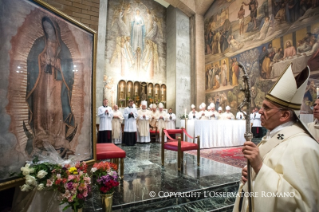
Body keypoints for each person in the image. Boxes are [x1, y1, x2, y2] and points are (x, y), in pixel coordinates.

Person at [233, 65, 319, 211]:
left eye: (266, 108)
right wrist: (252, 176)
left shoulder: (304, 147)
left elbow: (303, 206)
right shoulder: (273, 137)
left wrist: (259, 167)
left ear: (285, 115)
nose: (260, 111)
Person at [26, 16, 76, 157]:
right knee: (42, 108)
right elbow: (31, 62)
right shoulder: (38, 43)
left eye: (50, 28)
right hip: (41, 81)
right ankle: (42, 136)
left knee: (56, 108)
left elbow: (68, 69)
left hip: (57, 83)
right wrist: (41, 59)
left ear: (55, 28)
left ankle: (58, 137)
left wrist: (54, 62)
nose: (48, 30)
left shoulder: (63, 48)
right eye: (45, 28)